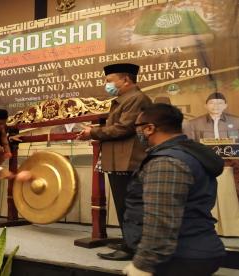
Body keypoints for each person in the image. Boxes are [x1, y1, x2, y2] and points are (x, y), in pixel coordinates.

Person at [122, 103, 225, 276]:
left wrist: (143, 265)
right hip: (193, 251)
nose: (136, 132)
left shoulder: (166, 162)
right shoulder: (188, 153)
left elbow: (160, 219)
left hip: (180, 258)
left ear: (149, 128)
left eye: (137, 127)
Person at [77, 63, 152, 259]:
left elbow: (123, 128)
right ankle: (130, 241)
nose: (106, 84)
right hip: (119, 160)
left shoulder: (136, 98)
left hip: (128, 160)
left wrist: (92, 132)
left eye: (109, 80)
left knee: (130, 206)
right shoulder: (123, 100)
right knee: (124, 205)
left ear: (126, 80)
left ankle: (133, 248)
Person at [184, 92, 239, 200]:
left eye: (220, 103)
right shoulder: (193, 124)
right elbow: (190, 146)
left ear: (225, 105)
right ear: (206, 105)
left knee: (231, 195)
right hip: (205, 165)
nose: (216, 106)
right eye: (212, 103)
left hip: (231, 165)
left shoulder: (236, 121)